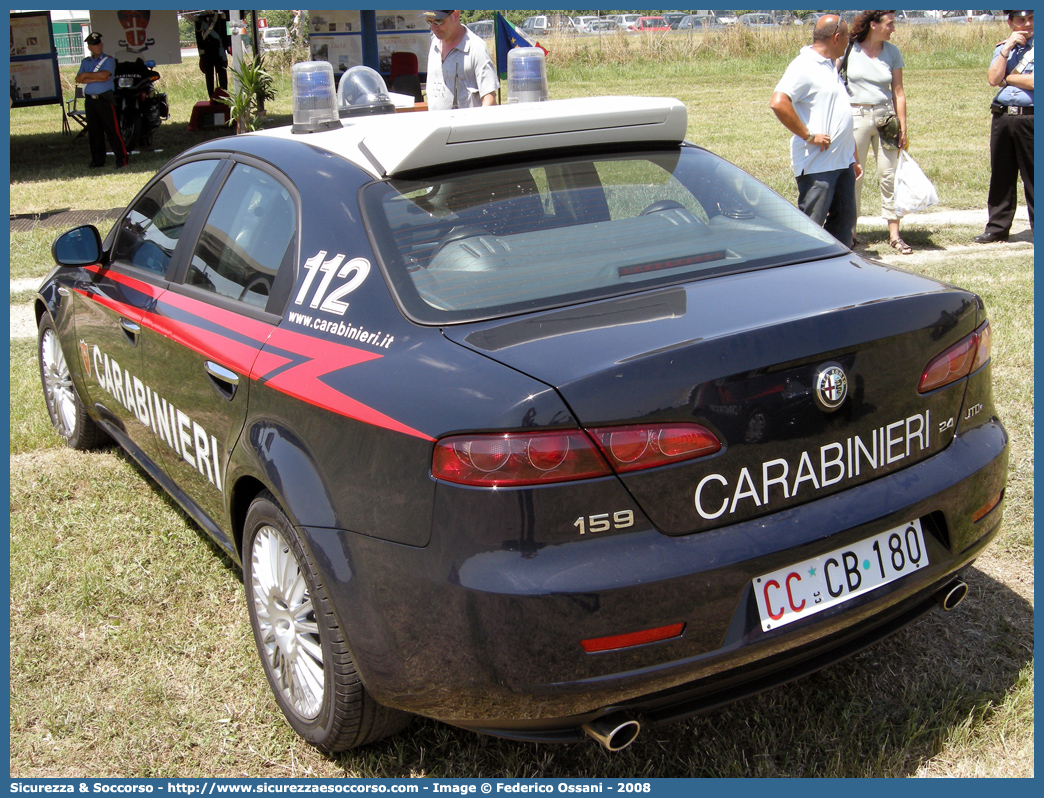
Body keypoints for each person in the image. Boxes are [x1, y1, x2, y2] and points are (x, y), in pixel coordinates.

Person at [770, 15, 863, 246]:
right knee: (811, 227)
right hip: (818, 165)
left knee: (843, 224)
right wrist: (808, 135)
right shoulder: (804, 65)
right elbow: (778, 102)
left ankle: (835, 272)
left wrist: (853, 156)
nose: (849, 42)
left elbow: (838, 112)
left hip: (842, 162)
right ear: (836, 37)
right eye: (847, 37)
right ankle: (802, 273)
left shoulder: (830, 65)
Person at [844, 10, 910, 254]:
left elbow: (899, 92)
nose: (893, 28)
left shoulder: (893, 52)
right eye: (889, 23)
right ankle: (850, 232)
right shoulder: (849, 49)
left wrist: (903, 126)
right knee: (854, 175)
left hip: (885, 118)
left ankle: (894, 234)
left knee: (889, 175)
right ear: (874, 25)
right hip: (855, 116)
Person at [975, 9, 1034, 243]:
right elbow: (992, 78)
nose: (1027, 24)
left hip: (1031, 116)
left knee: (1033, 175)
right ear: (1010, 23)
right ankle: (997, 227)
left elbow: (1034, 81)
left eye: (1031, 18)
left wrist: (1006, 78)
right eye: (1021, 19)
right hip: (1003, 116)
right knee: (1001, 174)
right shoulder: (1003, 48)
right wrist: (1006, 50)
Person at [423, 10, 499, 110]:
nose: (433, 28)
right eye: (429, 21)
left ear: (455, 15)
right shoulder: (434, 43)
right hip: (437, 124)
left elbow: (490, 100)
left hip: (466, 124)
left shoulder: (476, 47)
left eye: (438, 21)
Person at [75, 32, 128, 169]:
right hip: (90, 101)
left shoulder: (108, 60)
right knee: (94, 132)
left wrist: (87, 74)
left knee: (113, 130)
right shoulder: (86, 62)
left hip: (104, 99)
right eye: (93, 44)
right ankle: (98, 161)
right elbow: (79, 79)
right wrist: (94, 77)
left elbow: (105, 76)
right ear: (89, 47)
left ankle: (122, 159)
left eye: (98, 43)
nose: (97, 46)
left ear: (101, 44)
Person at [195, 10, 231, 100]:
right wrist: (201, 54)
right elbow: (199, 38)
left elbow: (225, 33)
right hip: (207, 51)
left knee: (222, 74)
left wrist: (227, 47)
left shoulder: (220, 16)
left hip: (219, 50)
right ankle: (211, 97)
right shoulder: (199, 18)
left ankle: (224, 96)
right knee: (209, 76)